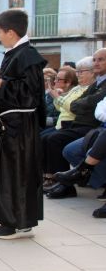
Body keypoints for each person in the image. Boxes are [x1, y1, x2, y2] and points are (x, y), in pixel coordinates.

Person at [0, 9, 46, 240]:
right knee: (12, 173)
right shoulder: (16, 53)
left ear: (11, 32)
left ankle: (17, 223)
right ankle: (17, 221)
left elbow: (29, 94)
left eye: (0, 31)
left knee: (17, 174)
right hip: (13, 124)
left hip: (21, 127)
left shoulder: (27, 55)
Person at [45, 48, 106, 199]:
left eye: (101, 59)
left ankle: (70, 182)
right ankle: (65, 179)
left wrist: (76, 104)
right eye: (94, 60)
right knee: (51, 141)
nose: (96, 63)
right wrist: (78, 104)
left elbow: (90, 105)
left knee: (56, 140)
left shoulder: (100, 85)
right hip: (84, 125)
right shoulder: (95, 84)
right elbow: (75, 105)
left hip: (90, 126)